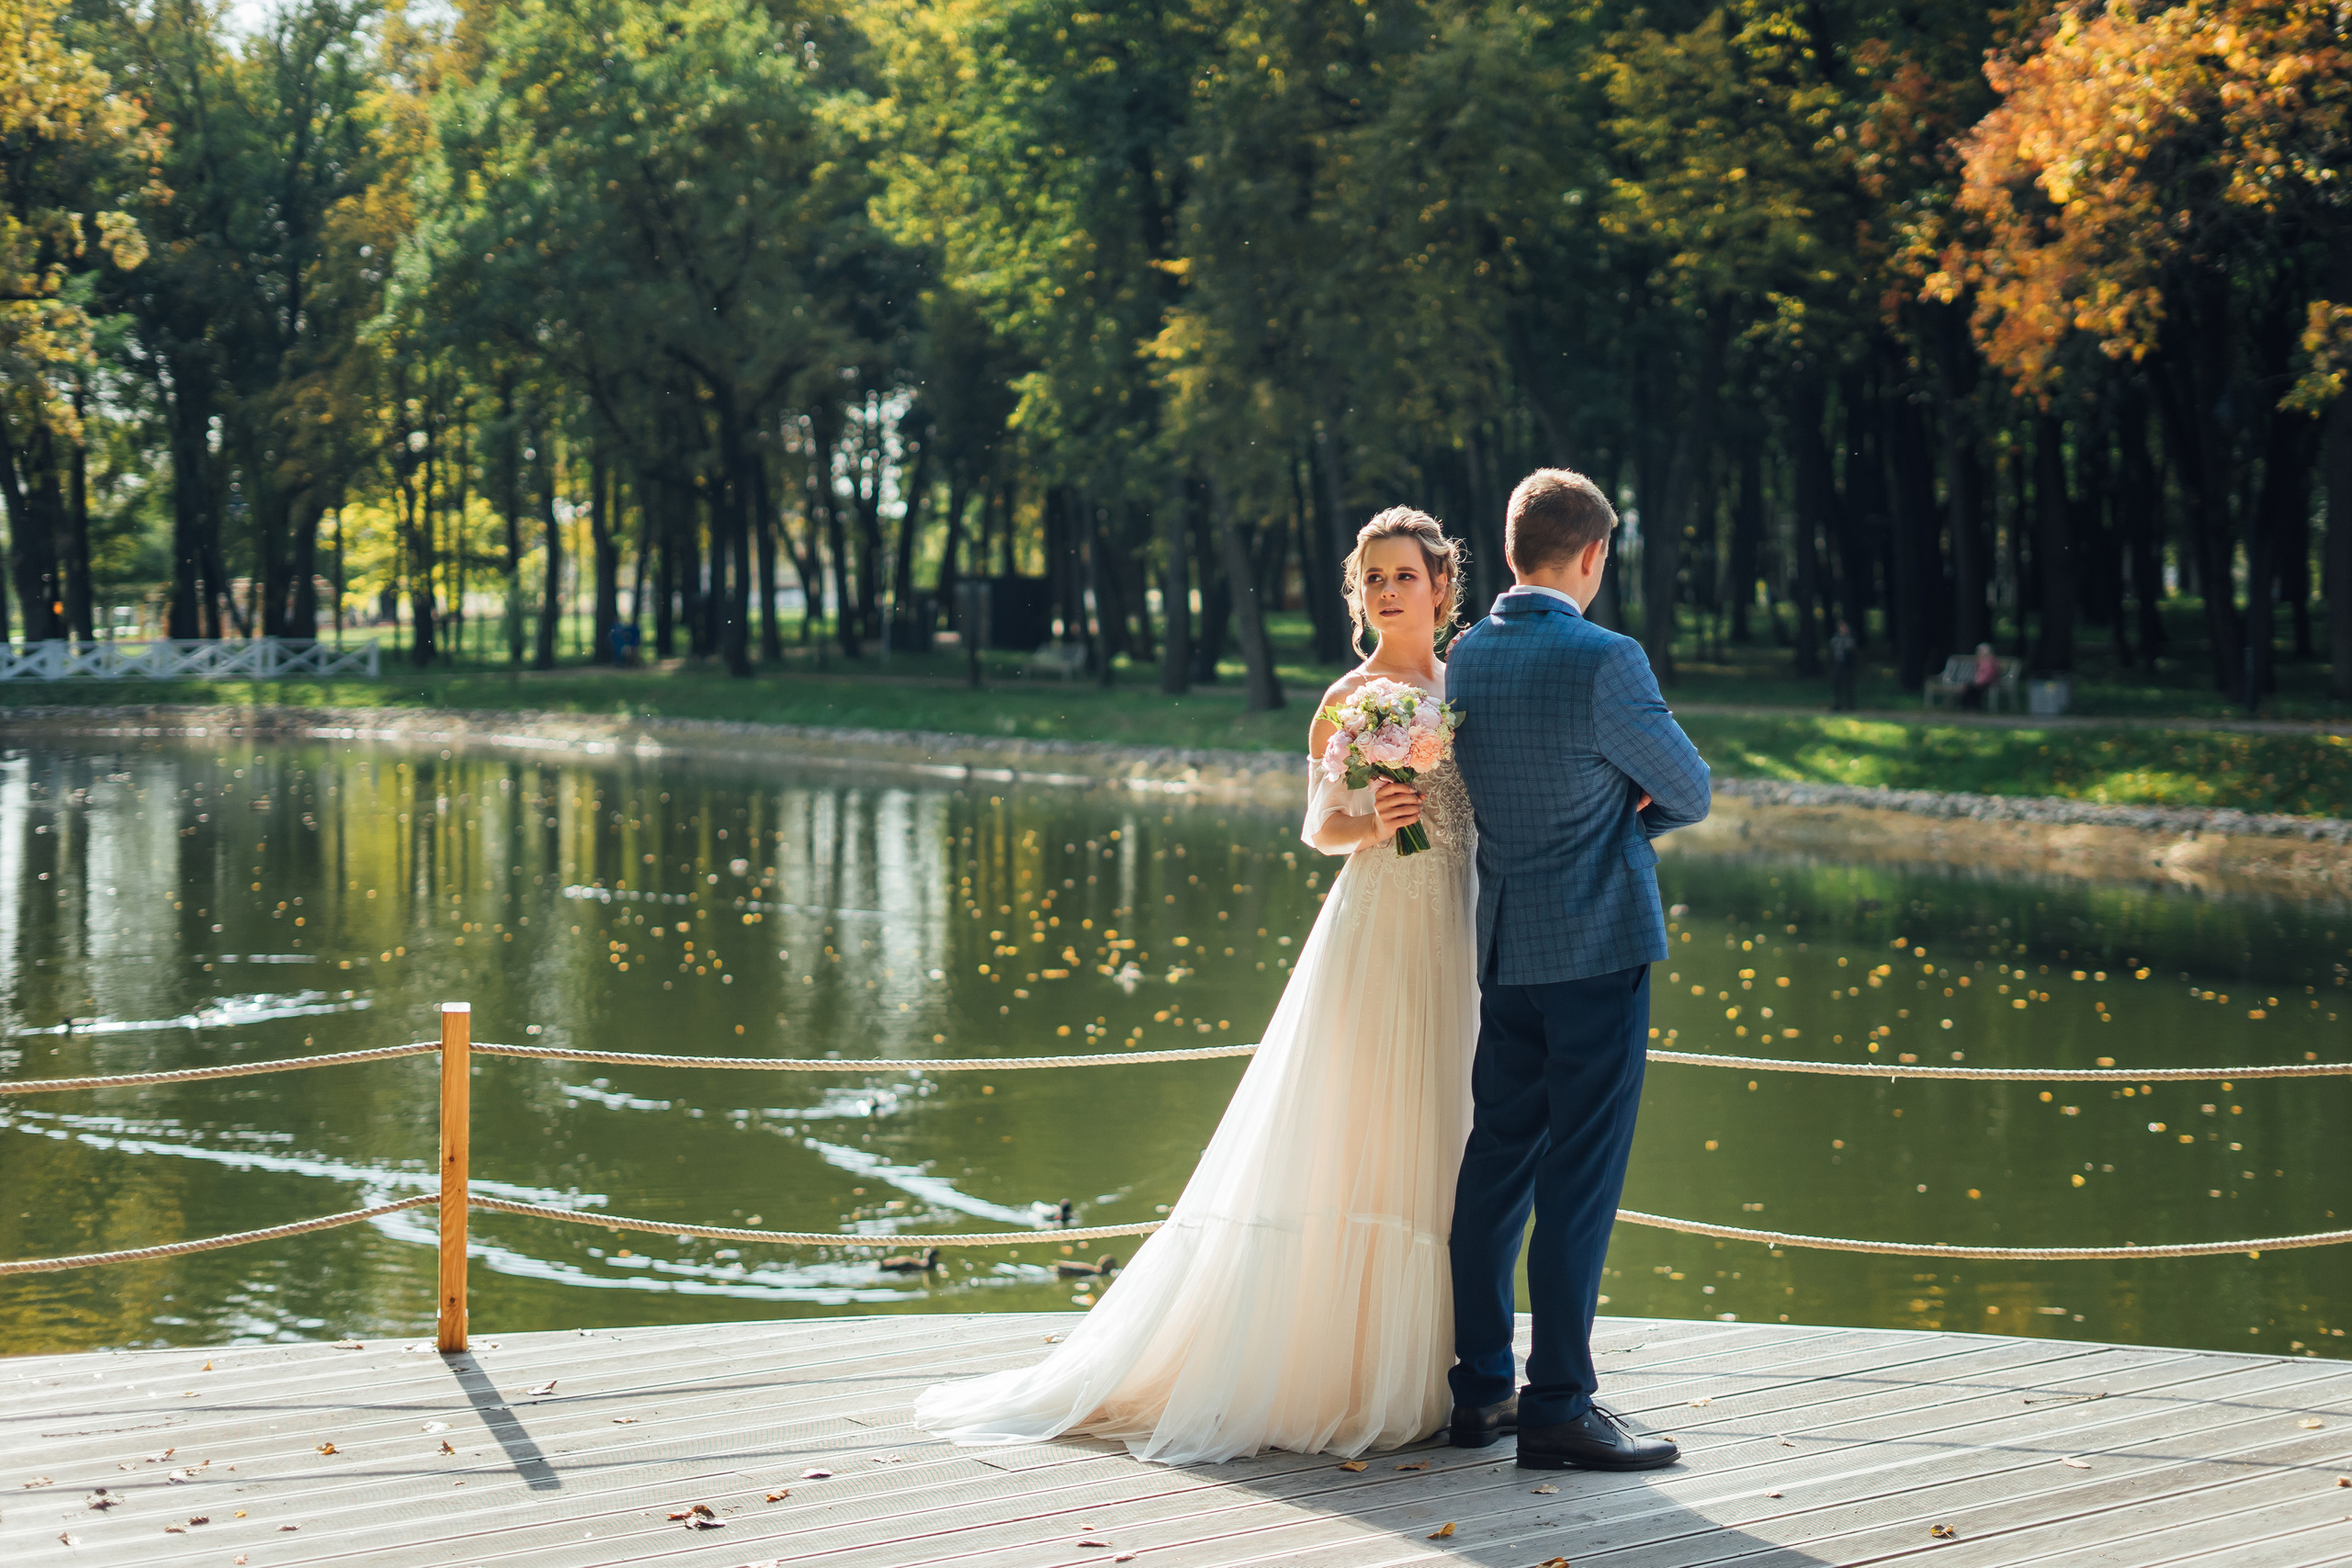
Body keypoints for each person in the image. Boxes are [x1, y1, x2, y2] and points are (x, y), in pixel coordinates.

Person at [911, 508, 1478, 1463]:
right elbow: (1318, 829)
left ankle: (1431, 1371)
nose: (1387, 591)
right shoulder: (1350, 697)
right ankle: (1338, 1375)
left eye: (1404, 577)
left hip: (1455, 924)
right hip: (1379, 924)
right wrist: (1377, 818)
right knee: (1356, 1129)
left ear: (1440, 587)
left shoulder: (1464, 688)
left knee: (1437, 1128)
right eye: (1372, 577)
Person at [1442, 468, 1711, 1472]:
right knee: (1580, 1182)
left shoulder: (1468, 655)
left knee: (1495, 1169)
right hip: (1596, 952)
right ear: (1593, 554)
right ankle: (1557, 1403)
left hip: (1507, 952)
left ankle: (1478, 1392)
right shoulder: (1606, 658)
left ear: (1512, 551)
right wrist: (1635, 811)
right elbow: (1688, 789)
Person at [1829, 619, 1860, 711]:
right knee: (1837, 685)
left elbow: (1850, 647)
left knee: (1848, 685)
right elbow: (1834, 645)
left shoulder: (1850, 638)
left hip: (1847, 664)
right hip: (1838, 664)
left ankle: (1850, 705)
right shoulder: (1836, 638)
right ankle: (1837, 704)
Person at [1961, 641, 1999, 710]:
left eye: (1981, 651)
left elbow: (1990, 674)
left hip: (1988, 682)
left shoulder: (1991, 661)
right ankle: (1969, 706)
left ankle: (1972, 706)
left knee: (1972, 688)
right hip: (1979, 681)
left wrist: (1979, 681)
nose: (1979, 652)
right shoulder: (1980, 660)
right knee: (1969, 687)